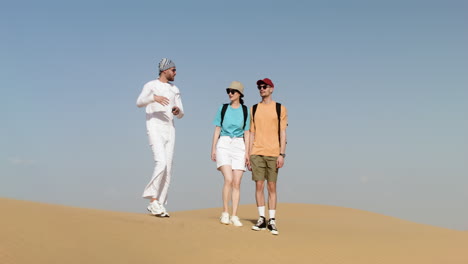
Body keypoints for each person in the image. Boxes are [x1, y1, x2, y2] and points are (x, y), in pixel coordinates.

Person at [136, 58, 184, 218]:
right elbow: (139, 102)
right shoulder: (150, 85)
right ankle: (153, 199)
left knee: (168, 167)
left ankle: (160, 204)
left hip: (170, 129)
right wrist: (153, 98)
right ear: (165, 70)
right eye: (173, 70)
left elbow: (182, 113)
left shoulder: (174, 89)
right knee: (161, 162)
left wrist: (178, 111)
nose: (175, 73)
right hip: (154, 126)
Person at [248, 78, 287, 235]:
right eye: (259, 87)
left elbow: (283, 132)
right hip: (257, 151)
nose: (261, 89)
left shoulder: (280, 108)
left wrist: (282, 154)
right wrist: (248, 154)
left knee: (272, 186)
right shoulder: (254, 109)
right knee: (259, 185)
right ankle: (261, 218)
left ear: (271, 89)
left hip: (273, 152)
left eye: (264, 86)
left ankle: (272, 220)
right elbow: (251, 133)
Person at [211, 81, 250, 227]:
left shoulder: (246, 111)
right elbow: (217, 128)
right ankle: (225, 212)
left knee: (237, 182)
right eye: (229, 91)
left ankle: (234, 215)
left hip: (239, 145)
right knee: (228, 179)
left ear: (240, 94)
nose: (230, 94)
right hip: (224, 143)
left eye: (233, 91)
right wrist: (213, 148)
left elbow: (247, 132)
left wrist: (248, 152)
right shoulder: (223, 108)